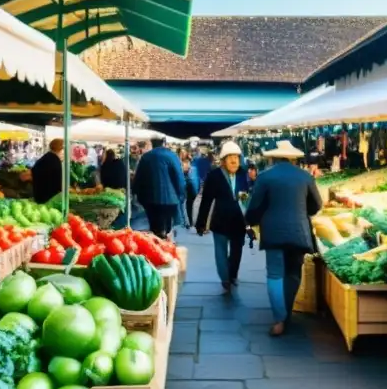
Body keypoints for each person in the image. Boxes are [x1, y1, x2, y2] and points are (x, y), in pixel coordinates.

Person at [245, 140, 323, 337]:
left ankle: (279, 319)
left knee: (274, 274)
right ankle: (287, 311)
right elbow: (317, 205)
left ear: (273, 157)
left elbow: (254, 206)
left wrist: (251, 221)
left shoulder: (265, 177)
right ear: (294, 159)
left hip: (273, 232)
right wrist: (301, 211)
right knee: (293, 273)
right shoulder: (305, 177)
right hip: (298, 232)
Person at [196, 141, 250, 292]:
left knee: (237, 251)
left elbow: (247, 198)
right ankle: (225, 279)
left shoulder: (242, 175)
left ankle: (233, 275)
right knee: (220, 251)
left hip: (239, 221)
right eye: (230, 157)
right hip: (220, 220)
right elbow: (206, 200)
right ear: (223, 161)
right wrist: (200, 223)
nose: (234, 161)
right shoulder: (214, 176)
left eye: (237, 157)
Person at [132, 137, 185, 238]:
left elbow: (138, 177)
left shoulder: (146, 157)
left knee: (154, 226)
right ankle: (166, 240)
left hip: (149, 199)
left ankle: (158, 240)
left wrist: (135, 192)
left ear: (152, 144)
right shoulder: (172, 156)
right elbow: (179, 177)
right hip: (170, 199)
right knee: (167, 224)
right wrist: (181, 194)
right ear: (164, 143)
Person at [31, 138, 65, 204]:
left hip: (39, 194)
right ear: (60, 149)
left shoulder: (45, 157)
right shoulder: (55, 161)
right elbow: (59, 181)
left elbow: (33, 173)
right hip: (49, 197)